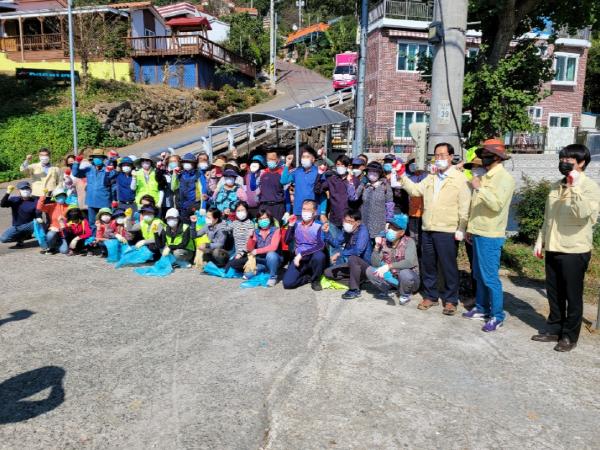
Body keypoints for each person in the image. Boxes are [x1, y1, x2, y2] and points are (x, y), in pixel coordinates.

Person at [531, 144, 600, 352]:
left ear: (582, 163)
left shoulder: (590, 187)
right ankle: (554, 329)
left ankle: (570, 336)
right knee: (554, 293)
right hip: (553, 246)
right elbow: (548, 217)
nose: (564, 163)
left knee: (572, 295)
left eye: (569, 160)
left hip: (574, 249)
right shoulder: (556, 186)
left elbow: (584, 215)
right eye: (562, 159)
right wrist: (540, 240)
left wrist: (575, 187)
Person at [397, 142, 471, 315]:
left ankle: (451, 300)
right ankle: (431, 296)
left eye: (443, 155)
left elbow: (464, 205)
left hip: (448, 229)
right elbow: (415, 191)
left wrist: (462, 227)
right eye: (436, 155)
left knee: (448, 266)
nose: (439, 158)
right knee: (428, 264)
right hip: (428, 227)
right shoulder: (431, 177)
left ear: (451, 157)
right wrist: (402, 176)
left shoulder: (460, 178)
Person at [462, 139, 516, 332]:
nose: (483, 158)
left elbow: (496, 205)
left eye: (487, 154)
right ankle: (482, 308)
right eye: (482, 154)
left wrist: (479, 188)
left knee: (490, 277)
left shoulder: (504, 178)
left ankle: (497, 315)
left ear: (497, 157)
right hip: (478, 231)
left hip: (491, 234)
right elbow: (476, 206)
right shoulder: (484, 176)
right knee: (478, 274)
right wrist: (470, 228)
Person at [366, 213, 419, 305]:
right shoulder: (384, 242)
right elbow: (375, 264)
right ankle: (390, 289)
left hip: (409, 281)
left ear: (402, 232)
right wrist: (377, 247)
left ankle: (405, 294)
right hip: (392, 278)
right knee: (370, 270)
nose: (390, 230)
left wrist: (389, 266)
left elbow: (409, 262)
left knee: (405, 273)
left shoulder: (409, 242)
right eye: (390, 227)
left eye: (394, 229)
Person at [322, 209, 372, 299]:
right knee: (328, 273)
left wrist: (339, 254)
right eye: (345, 220)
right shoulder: (347, 230)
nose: (347, 223)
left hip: (364, 267)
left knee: (353, 258)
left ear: (358, 222)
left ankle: (354, 290)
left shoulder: (363, 231)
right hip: (351, 267)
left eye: (350, 221)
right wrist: (327, 233)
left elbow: (357, 251)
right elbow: (336, 243)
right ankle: (357, 281)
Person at [228, 208, 283, 286]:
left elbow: (273, 247)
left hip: (274, 258)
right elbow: (250, 248)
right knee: (247, 275)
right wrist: (250, 237)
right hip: (261, 260)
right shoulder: (256, 231)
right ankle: (265, 269)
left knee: (271, 255)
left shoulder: (276, 230)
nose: (263, 220)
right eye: (260, 219)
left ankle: (273, 277)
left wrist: (257, 251)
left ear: (270, 219)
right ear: (258, 221)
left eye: (265, 218)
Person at [282, 200, 326, 291]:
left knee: (319, 256)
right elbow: (286, 241)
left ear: (315, 212)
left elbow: (320, 245)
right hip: (299, 261)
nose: (305, 212)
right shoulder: (297, 224)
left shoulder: (319, 225)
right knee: (287, 283)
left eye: (308, 210)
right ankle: (307, 277)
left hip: (312, 257)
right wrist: (290, 225)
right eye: (304, 209)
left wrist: (302, 254)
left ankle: (315, 280)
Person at [315, 155, 352, 252]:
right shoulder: (332, 179)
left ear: (347, 166)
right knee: (334, 248)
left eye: (342, 165)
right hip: (334, 220)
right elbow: (318, 190)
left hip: (349, 220)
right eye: (338, 164)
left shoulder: (353, 180)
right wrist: (319, 174)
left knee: (348, 248)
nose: (340, 167)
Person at [72, 149, 113, 235]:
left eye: (99, 157)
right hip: (91, 201)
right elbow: (76, 173)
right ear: (93, 159)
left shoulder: (108, 169)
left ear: (103, 159)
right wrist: (77, 162)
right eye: (95, 157)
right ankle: (95, 239)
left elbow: (112, 181)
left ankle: (105, 239)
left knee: (106, 222)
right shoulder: (89, 169)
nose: (97, 159)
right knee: (93, 223)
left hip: (104, 201)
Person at [349, 161, 394, 239]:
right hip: (364, 223)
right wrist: (351, 183)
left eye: (375, 171)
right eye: (370, 171)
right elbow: (353, 197)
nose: (372, 173)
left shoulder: (385, 186)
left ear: (380, 173)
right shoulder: (364, 185)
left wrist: (389, 221)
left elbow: (389, 204)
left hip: (380, 225)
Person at [280, 146, 319, 219]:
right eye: (303, 157)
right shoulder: (297, 171)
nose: (305, 159)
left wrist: (321, 212)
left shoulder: (318, 172)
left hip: (312, 211)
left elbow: (323, 193)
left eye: (307, 157)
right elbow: (283, 181)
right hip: (298, 211)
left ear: (313, 159)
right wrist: (287, 164)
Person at [0, 181, 38, 247]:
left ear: (30, 190)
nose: (25, 190)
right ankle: (21, 238)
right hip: (17, 226)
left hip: (30, 225)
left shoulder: (35, 200)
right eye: (22, 189)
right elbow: (2, 204)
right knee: (3, 239)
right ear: (19, 191)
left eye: (27, 188)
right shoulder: (14, 199)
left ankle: (44, 243)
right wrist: (8, 192)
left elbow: (46, 202)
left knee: (37, 223)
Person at [37, 187, 70, 254]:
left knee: (64, 251)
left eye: (62, 196)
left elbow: (72, 221)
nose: (61, 198)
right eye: (58, 196)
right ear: (55, 198)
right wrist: (43, 196)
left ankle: (58, 243)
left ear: (65, 197)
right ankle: (51, 247)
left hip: (65, 233)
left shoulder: (69, 207)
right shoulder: (51, 206)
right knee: (50, 235)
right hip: (54, 230)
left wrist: (64, 226)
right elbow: (39, 207)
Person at [176, 152, 207, 222]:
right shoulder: (180, 174)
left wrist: (203, 207)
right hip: (183, 205)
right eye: (185, 162)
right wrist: (174, 175)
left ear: (194, 164)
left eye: (189, 162)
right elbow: (173, 187)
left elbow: (203, 190)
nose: (187, 164)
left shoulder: (199, 174)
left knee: (196, 225)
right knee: (185, 225)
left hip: (195, 205)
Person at [258, 149, 286, 221]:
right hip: (264, 206)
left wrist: (288, 211)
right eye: (268, 159)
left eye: (273, 159)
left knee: (278, 227)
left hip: (278, 206)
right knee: (264, 226)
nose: (270, 161)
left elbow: (287, 192)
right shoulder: (262, 173)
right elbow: (253, 188)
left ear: (278, 160)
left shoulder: (283, 173)